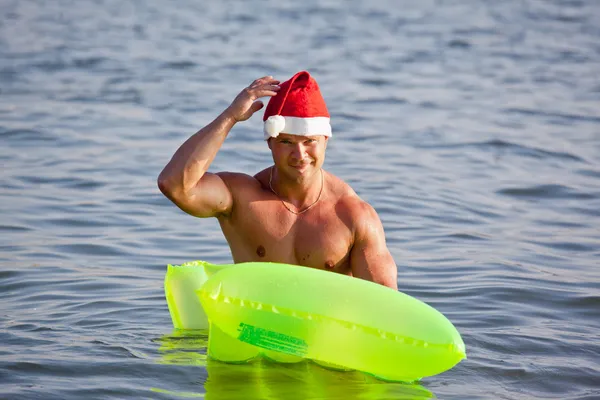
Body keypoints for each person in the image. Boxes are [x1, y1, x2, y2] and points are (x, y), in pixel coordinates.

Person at [158, 71, 398, 289]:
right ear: (270, 143)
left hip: (323, 334)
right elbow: (175, 185)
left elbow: (389, 305)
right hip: (253, 331)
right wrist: (230, 116)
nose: (300, 155)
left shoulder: (354, 216)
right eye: (286, 142)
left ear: (326, 140)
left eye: (309, 141)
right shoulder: (242, 198)